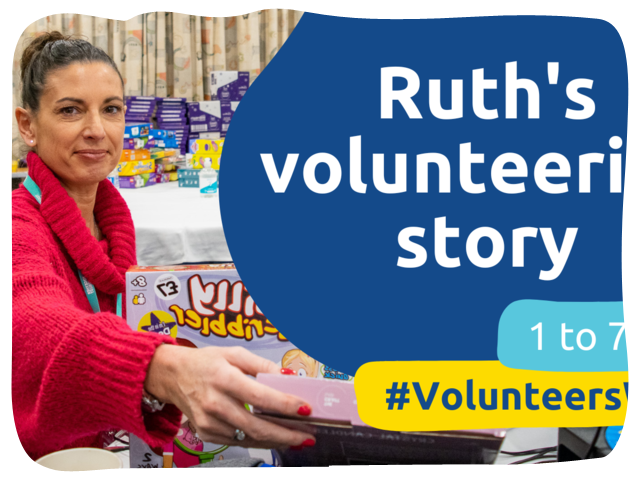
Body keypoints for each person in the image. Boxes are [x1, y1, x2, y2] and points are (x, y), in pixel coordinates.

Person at [12, 32, 315, 461]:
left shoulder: (113, 223)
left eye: (111, 109)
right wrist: (162, 369)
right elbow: (31, 322)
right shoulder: (16, 223)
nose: (97, 130)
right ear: (29, 126)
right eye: (70, 111)